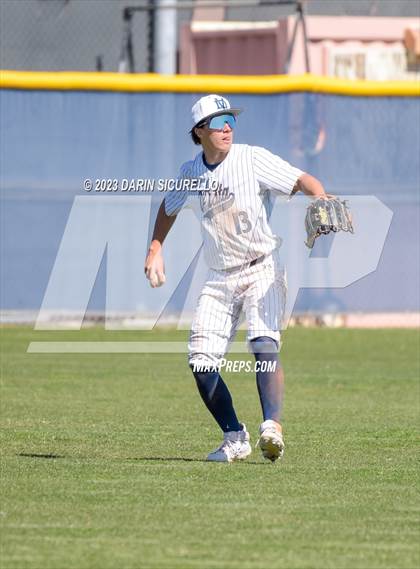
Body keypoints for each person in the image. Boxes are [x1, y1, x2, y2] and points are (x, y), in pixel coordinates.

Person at [144, 94, 327, 463]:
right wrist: (155, 247)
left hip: (262, 267)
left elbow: (303, 179)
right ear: (199, 131)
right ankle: (234, 436)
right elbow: (169, 206)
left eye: (230, 119)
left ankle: (272, 427)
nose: (226, 126)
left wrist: (320, 198)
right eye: (217, 121)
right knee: (201, 363)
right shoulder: (191, 172)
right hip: (219, 277)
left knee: (263, 345)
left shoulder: (252, 158)